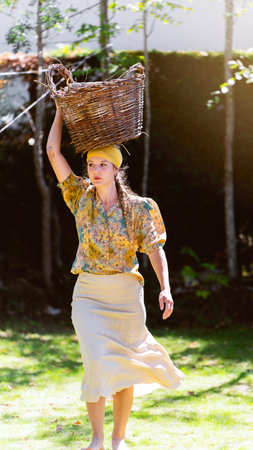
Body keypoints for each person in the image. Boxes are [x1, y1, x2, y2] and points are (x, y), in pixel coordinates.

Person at [46, 105, 184, 450]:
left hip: (126, 296)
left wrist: (165, 287)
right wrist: (62, 110)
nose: (95, 170)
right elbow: (51, 151)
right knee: (95, 362)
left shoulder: (138, 208)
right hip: (89, 294)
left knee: (123, 368)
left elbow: (154, 249)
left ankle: (118, 439)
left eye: (102, 164)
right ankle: (96, 439)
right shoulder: (80, 197)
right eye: (91, 164)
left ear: (115, 169)